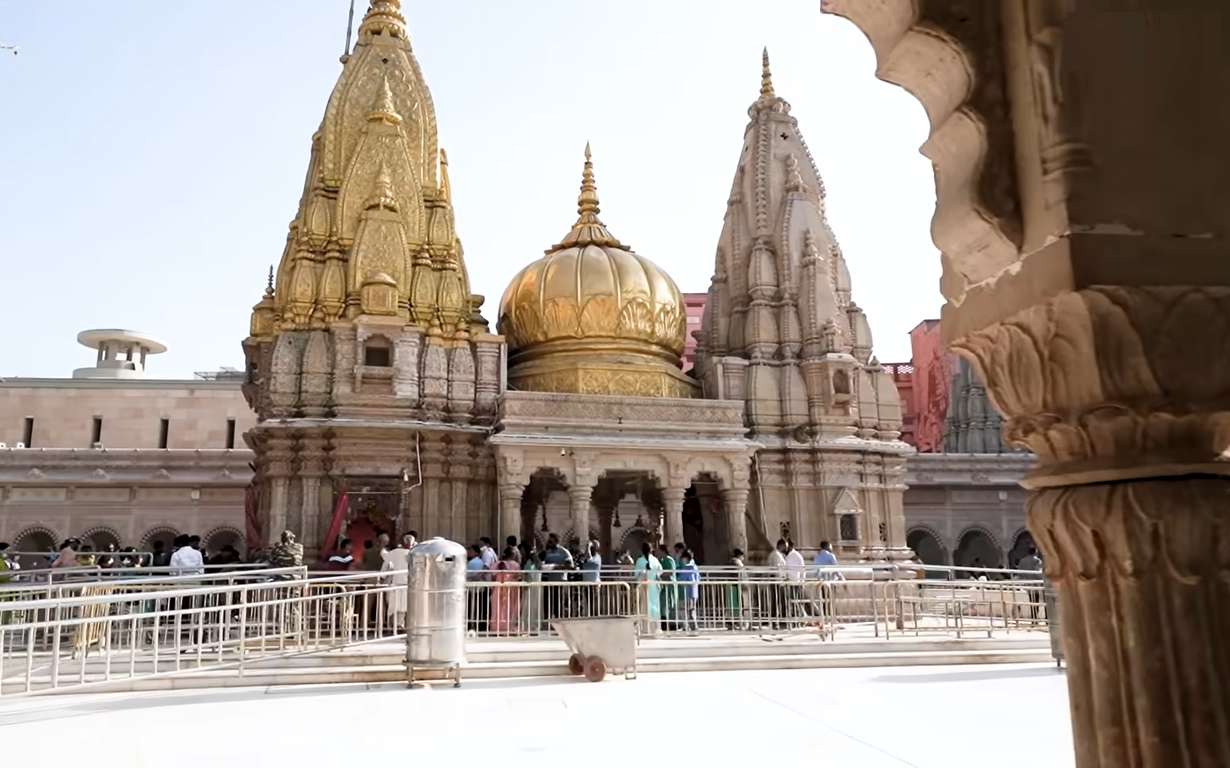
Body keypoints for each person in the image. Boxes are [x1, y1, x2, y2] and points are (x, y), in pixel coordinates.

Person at [381, 535, 413, 631]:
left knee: (396, 606)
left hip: (398, 583)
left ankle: (396, 627)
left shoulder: (394, 553)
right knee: (407, 606)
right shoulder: (416, 553)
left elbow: (385, 567)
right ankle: (405, 627)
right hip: (409, 584)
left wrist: (382, 577)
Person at [489, 546, 521, 634]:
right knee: (509, 609)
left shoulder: (496, 564)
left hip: (497, 588)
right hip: (510, 589)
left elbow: (492, 576)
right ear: (513, 554)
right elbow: (518, 576)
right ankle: (508, 626)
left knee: (496, 608)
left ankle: (496, 627)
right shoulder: (515, 565)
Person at [633, 542, 663, 633]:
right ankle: (653, 627)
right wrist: (655, 575)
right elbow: (660, 570)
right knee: (653, 606)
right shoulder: (654, 560)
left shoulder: (640, 561)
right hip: (651, 585)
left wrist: (643, 574)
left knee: (645, 606)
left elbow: (635, 574)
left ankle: (646, 628)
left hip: (645, 585)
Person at [518, 544, 543, 634]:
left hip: (530, 587)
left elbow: (528, 575)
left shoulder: (529, 562)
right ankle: (533, 626)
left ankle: (528, 627)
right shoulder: (535, 562)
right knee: (534, 606)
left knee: (528, 605)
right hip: (535, 587)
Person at [1017, 547, 1044, 620]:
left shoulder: (1022, 561)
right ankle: (1035, 617)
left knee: (1032, 600)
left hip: (1027, 583)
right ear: (1035, 552)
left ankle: (1034, 618)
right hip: (1036, 584)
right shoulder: (1037, 561)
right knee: (1036, 601)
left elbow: (1020, 573)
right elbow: (1038, 572)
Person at [677, 549, 701, 634]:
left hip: (688, 592)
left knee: (687, 611)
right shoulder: (694, 566)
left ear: (686, 558)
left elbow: (680, 579)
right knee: (691, 610)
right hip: (694, 592)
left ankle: (691, 628)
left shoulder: (687, 568)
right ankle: (693, 627)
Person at [726, 548, 748, 631]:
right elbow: (742, 575)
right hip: (736, 586)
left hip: (731, 585)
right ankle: (736, 622)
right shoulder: (738, 563)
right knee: (737, 605)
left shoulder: (730, 562)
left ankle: (731, 622)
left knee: (731, 605)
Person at [657, 543, 678, 631]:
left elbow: (670, 572)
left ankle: (673, 624)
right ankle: (664, 623)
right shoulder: (661, 560)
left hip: (669, 586)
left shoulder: (669, 560)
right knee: (663, 606)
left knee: (669, 605)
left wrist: (659, 574)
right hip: (663, 586)